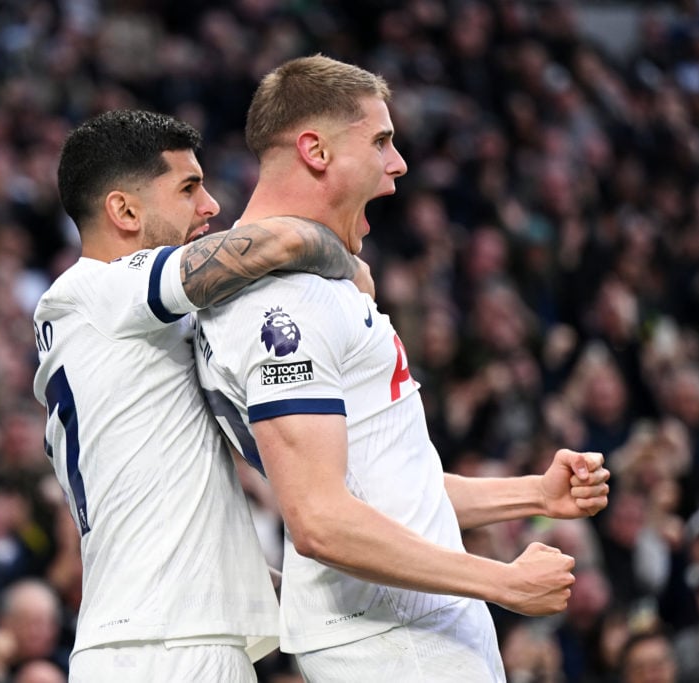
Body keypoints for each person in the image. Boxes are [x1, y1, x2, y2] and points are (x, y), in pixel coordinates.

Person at [194, 55, 610, 682]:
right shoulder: (284, 305)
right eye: (382, 142)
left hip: (405, 626)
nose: (398, 164)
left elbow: (387, 490)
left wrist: (533, 495)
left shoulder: (309, 284)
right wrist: (502, 582)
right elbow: (322, 522)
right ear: (315, 150)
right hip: (392, 636)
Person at [32, 109, 361, 681]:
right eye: (189, 188)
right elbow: (274, 241)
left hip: (155, 637)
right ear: (124, 211)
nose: (210, 205)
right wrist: (347, 266)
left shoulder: (120, 333)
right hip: (166, 645)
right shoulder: (99, 289)